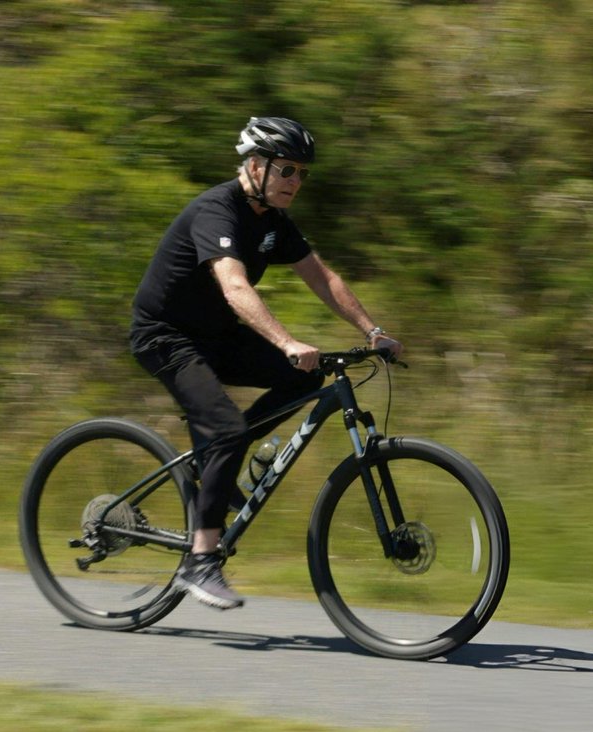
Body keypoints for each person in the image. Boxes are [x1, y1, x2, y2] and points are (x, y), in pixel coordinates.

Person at [129, 116, 404, 610]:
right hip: (165, 337)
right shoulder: (218, 212)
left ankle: (218, 458)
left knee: (305, 378)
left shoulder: (272, 221)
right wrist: (285, 341)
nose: (296, 182)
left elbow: (323, 278)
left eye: (301, 173)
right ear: (256, 166)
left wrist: (373, 331)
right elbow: (235, 288)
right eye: (287, 171)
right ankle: (200, 562)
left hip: (215, 337)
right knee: (230, 428)